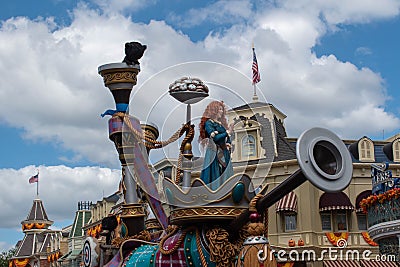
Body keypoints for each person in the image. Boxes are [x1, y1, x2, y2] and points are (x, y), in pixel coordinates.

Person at [199, 101, 234, 190]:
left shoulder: (220, 125)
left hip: (224, 152)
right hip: (214, 153)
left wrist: (228, 143)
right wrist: (227, 132)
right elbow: (215, 138)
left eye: (222, 109)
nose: (222, 112)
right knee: (215, 174)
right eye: (220, 109)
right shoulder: (209, 123)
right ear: (214, 110)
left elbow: (225, 138)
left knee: (226, 175)